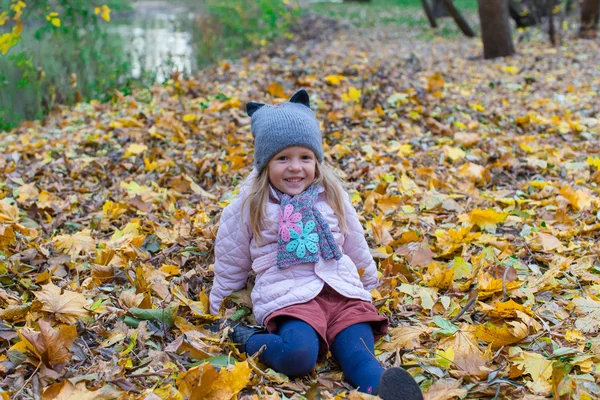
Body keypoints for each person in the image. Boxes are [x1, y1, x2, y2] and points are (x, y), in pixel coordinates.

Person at [209, 89, 423, 400]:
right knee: (298, 355)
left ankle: (385, 392)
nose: (295, 167)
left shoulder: (332, 195)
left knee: (359, 356)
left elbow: (353, 240)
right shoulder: (251, 204)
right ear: (265, 163)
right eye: (283, 158)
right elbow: (232, 255)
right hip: (289, 296)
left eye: (304, 157)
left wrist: (366, 281)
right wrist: (221, 302)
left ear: (316, 161)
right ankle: (243, 338)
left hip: (341, 292)